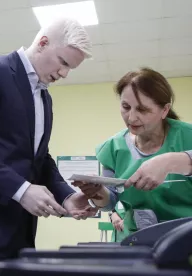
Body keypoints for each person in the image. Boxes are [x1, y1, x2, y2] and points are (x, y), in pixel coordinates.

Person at [0, 17, 97, 275]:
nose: (64, 74)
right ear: (43, 43)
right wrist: (21, 190)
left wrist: (67, 196)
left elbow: (40, 158)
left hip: (20, 230)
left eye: (71, 69)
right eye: (64, 62)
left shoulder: (44, 97)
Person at [73, 67, 192, 241]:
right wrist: (97, 192)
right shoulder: (113, 148)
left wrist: (169, 161)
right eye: (126, 107)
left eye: (142, 110)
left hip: (185, 240)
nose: (131, 118)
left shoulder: (187, 136)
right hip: (136, 239)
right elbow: (110, 202)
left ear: (164, 110)